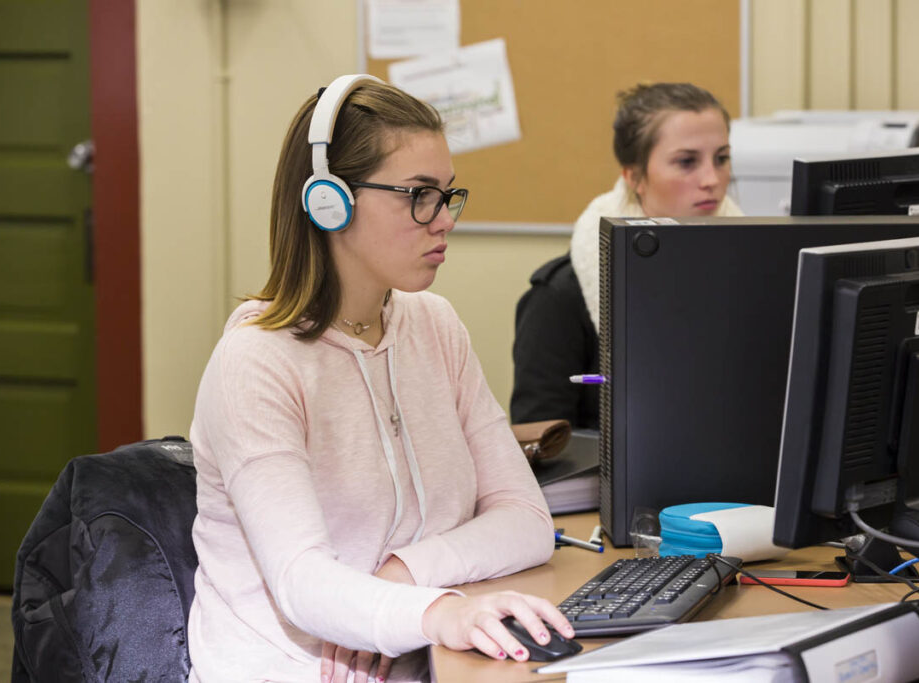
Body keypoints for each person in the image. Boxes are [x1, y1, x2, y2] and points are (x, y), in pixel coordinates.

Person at [187, 75, 573, 683]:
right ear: (328, 201)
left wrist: (401, 575)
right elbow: (300, 582)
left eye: (448, 194)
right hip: (288, 670)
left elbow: (525, 519)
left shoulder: (435, 327)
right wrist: (440, 611)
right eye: (419, 194)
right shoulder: (257, 362)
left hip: (417, 658)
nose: (443, 219)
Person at [511, 82, 743, 429]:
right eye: (686, 162)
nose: (712, 179)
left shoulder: (755, 268)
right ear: (635, 177)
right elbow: (540, 445)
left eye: (721, 158)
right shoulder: (559, 298)